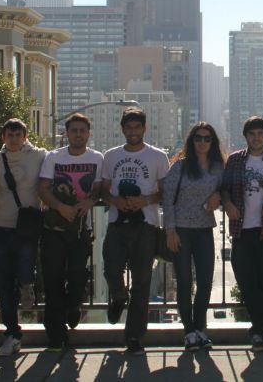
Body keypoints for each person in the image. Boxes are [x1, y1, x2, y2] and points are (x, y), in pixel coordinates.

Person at [99, 107, 170, 356]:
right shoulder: (111, 156)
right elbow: (103, 190)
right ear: (122, 129)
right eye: (128, 127)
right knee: (110, 268)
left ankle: (134, 336)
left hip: (146, 226)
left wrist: (145, 200)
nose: (132, 131)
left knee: (141, 282)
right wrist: (115, 201)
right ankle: (118, 296)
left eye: (137, 127)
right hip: (117, 224)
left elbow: (165, 192)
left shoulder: (158, 156)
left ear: (144, 129)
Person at [220, 116, 263, 352]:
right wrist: (228, 204)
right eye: (252, 134)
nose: (256, 138)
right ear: (246, 136)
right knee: (245, 279)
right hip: (241, 229)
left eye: (260, 133)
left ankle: (259, 334)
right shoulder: (235, 160)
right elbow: (225, 189)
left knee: (262, 282)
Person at [38, 113, 103, 352]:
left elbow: (99, 189)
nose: (78, 134)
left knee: (77, 277)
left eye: (82, 130)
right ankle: (56, 335)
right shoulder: (54, 157)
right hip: (53, 228)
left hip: (80, 230)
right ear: (67, 134)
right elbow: (43, 189)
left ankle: (73, 306)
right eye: (73, 130)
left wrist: (90, 201)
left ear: (89, 134)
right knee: (52, 281)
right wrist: (60, 206)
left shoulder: (97, 158)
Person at [162, 122, 224, 351]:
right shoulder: (179, 166)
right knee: (184, 282)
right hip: (181, 230)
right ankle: (188, 332)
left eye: (207, 138)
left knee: (205, 281)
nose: (203, 142)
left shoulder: (218, 168)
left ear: (213, 142)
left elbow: (227, 189)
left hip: (204, 229)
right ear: (192, 141)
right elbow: (167, 199)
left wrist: (218, 194)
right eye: (198, 138)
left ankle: (200, 329)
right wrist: (170, 230)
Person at [0, 118, 47, 357]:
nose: (13, 139)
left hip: (27, 227)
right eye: (9, 135)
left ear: (25, 137)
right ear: (3, 137)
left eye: (17, 135)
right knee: (3, 283)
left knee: (25, 270)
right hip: (1, 225)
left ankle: (27, 287)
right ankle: (12, 334)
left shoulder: (39, 156)